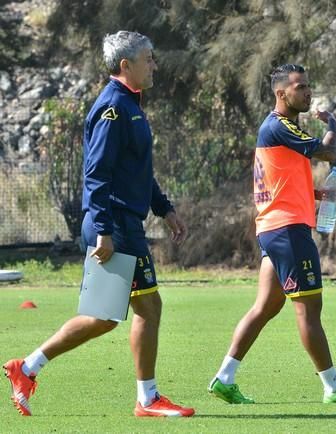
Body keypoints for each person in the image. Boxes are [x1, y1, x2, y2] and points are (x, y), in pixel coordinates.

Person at [3, 31, 194, 417]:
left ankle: (26, 367)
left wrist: (164, 207)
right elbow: (97, 173)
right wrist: (104, 228)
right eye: (149, 58)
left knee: (105, 318)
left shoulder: (131, 105)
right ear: (126, 65)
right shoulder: (112, 108)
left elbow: (136, 170)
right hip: (117, 225)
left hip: (123, 222)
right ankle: (147, 399)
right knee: (148, 308)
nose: (155, 64)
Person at [207, 64, 336, 404]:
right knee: (310, 309)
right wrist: (331, 125)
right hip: (287, 230)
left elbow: (279, 179)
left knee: (265, 307)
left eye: (308, 86)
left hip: (275, 228)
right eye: (300, 87)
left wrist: (315, 195)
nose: (307, 92)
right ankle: (333, 386)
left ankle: (224, 378)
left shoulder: (283, 131)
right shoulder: (278, 126)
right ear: (281, 93)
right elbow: (327, 152)